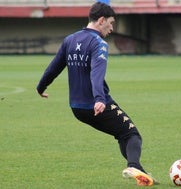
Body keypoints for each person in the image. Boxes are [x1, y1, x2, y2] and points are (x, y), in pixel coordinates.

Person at [36, 2, 158, 186]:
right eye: (111, 22)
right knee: (131, 134)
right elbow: (96, 73)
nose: (112, 27)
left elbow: (54, 67)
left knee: (121, 134)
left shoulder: (70, 39)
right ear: (101, 20)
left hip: (77, 108)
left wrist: (41, 86)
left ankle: (139, 171)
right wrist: (100, 99)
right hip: (96, 104)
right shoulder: (98, 43)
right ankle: (134, 166)